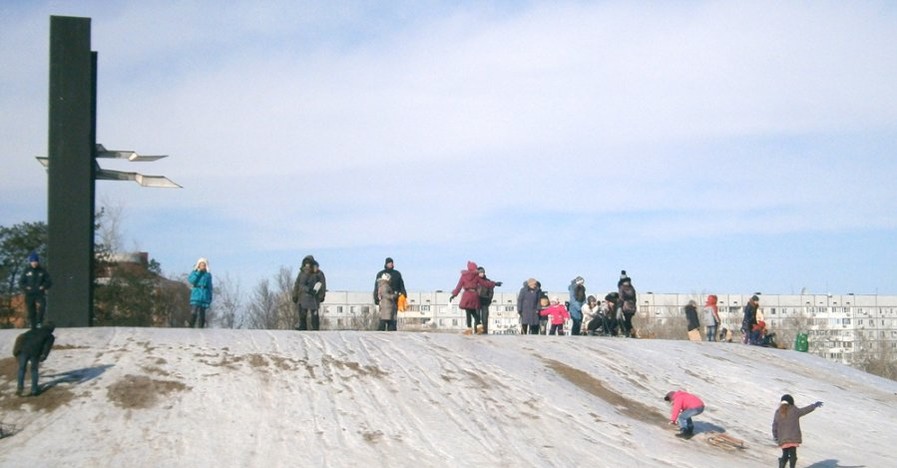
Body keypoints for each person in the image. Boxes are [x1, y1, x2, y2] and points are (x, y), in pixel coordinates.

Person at [772, 394, 823, 468]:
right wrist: (814, 405)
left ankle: (781, 466)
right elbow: (804, 410)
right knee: (793, 454)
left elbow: (775, 425)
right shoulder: (794, 410)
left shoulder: (778, 412)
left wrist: (775, 436)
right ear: (791, 401)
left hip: (783, 438)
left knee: (785, 454)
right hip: (793, 438)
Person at [450, 261, 495, 335]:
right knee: (473, 312)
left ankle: (469, 329)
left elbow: (458, 287)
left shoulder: (463, 276)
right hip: (474, 295)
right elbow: (485, 283)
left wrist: (454, 295)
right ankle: (479, 326)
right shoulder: (476, 276)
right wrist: (494, 283)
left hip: (467, 295)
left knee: (468, 312)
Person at [12, 322, 56, 396]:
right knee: (34, 370)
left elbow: (22, 337)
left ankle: (19, 389)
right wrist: (44, 355)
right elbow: (47, 347)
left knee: (22, 369)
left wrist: (17, 350)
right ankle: (34, 390)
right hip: (35, 353)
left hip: (23, 350)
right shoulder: (50, 336)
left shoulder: (33, 330)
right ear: (52, 329)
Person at [292, 255, 326, 331]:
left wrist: (321, 295)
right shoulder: (302, 273)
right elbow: (297, 285)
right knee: (302, 315)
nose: (307, 266)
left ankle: (314, 328)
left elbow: (322, 285)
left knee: (314, 315)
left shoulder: (318, 273)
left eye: (308, 264)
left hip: (313, 298)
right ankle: (303, 327)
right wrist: (295, 295)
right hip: (303, 298)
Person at [19, 251, 52, 329]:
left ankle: (39, 322)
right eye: (33, 261)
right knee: (31, 310)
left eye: (35, 261)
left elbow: (49, 281)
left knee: (42, 306)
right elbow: (21, 282)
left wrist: (43, 286)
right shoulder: (27, 271)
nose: (34, 263)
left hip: (39, 293)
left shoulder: (42, 270)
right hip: (29, 293)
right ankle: (33, 325)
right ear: (30, 262)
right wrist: (26, 287)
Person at [475, 266, 501, 334]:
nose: (482, 274)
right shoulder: (475, 281)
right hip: (476, 301)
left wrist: (489, 299)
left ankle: (484, 332)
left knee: (485, 318)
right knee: (477, 318)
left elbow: (491, 291)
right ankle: (477, 331)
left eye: (483, 272)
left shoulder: (487, 281)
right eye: (480, 272)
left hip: (485, 301)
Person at [188, 257, 213, 328]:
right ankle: (191, 326)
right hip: (196, 294)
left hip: (204, 295)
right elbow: (191, 280)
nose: (203, 266)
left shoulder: (208, 275)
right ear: (198, 265)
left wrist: (210, 297)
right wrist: (198, 272)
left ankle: (201, 328)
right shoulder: (194, 272)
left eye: (204, 265)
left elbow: (210, 286)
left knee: (202, 314)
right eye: (201, 265)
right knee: (194, 312)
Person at [618, 271, 637, 338]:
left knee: (626, 320)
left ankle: (629, 332)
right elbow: (635, 298)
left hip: (625, 306)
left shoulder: (622, 287)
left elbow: (621, 297)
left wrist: (620, 306)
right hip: (632, 306)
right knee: (628, 320)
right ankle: (630, 332)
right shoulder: (632, 288)